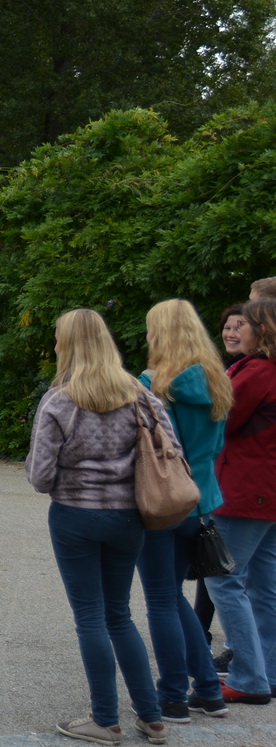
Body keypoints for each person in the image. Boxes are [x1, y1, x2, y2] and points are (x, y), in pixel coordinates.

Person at [26, 307, 174, 747]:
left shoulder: (60, 400)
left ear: (66, 345)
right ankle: (152, 716)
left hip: (75, 515)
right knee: (120, 614)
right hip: (129, 515)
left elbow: (40, 476)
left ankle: (106, 720)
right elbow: (171, 447)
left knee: (89, 617)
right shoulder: (141, 395)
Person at [136, 300, 232, 722]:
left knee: (161, 599)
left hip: (162, 500)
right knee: (173, 598)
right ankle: (209, 689)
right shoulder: (217, 382)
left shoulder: (154, 383)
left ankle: (172, 695)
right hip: (201, 500)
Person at [205, 298, 276, 706]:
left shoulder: (257, 372)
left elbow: (222, 417)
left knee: (224, 579)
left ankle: (249, 678)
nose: (235, 329)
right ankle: (266, 671)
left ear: (261, 330)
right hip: (266, 490)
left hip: (245, 490)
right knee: (264, 586)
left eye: (244, 324)